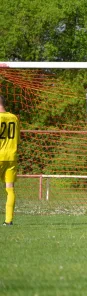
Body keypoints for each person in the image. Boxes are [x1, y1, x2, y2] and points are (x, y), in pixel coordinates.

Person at [0, 95, 20, 226]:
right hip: (11, 156)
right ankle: (8, 220)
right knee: (10, 189)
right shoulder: (14, 117)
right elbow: (17, 138)